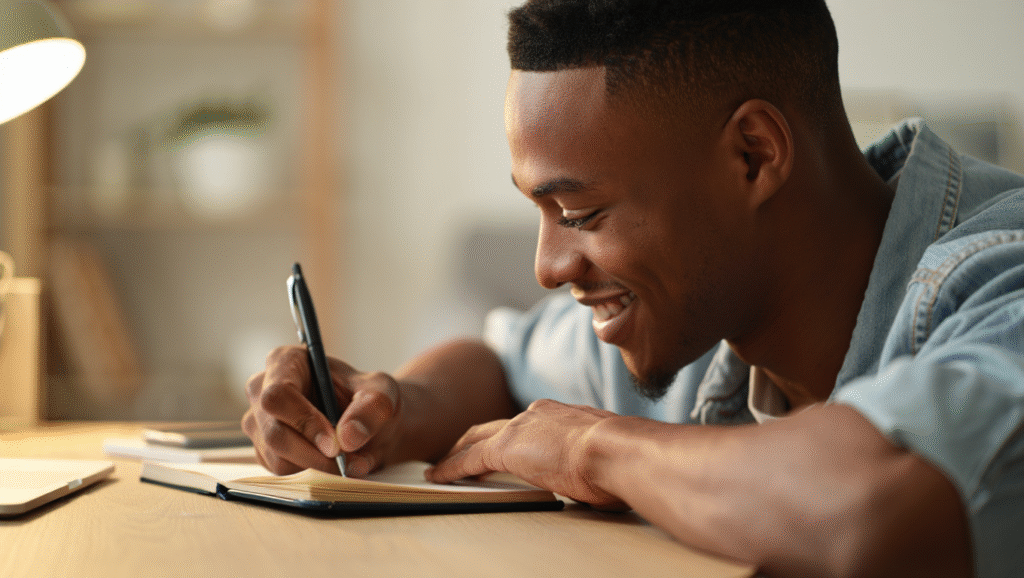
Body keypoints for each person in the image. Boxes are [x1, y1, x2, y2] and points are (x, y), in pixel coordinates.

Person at [242, 1, 1024, 576]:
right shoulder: (687, 307)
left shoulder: (1003, 279)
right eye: (539, 211)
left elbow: (873, 510)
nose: (549, 266)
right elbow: (499, 362)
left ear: (753, 155)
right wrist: (392, 407)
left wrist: (593, 448)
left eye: (580, 212)